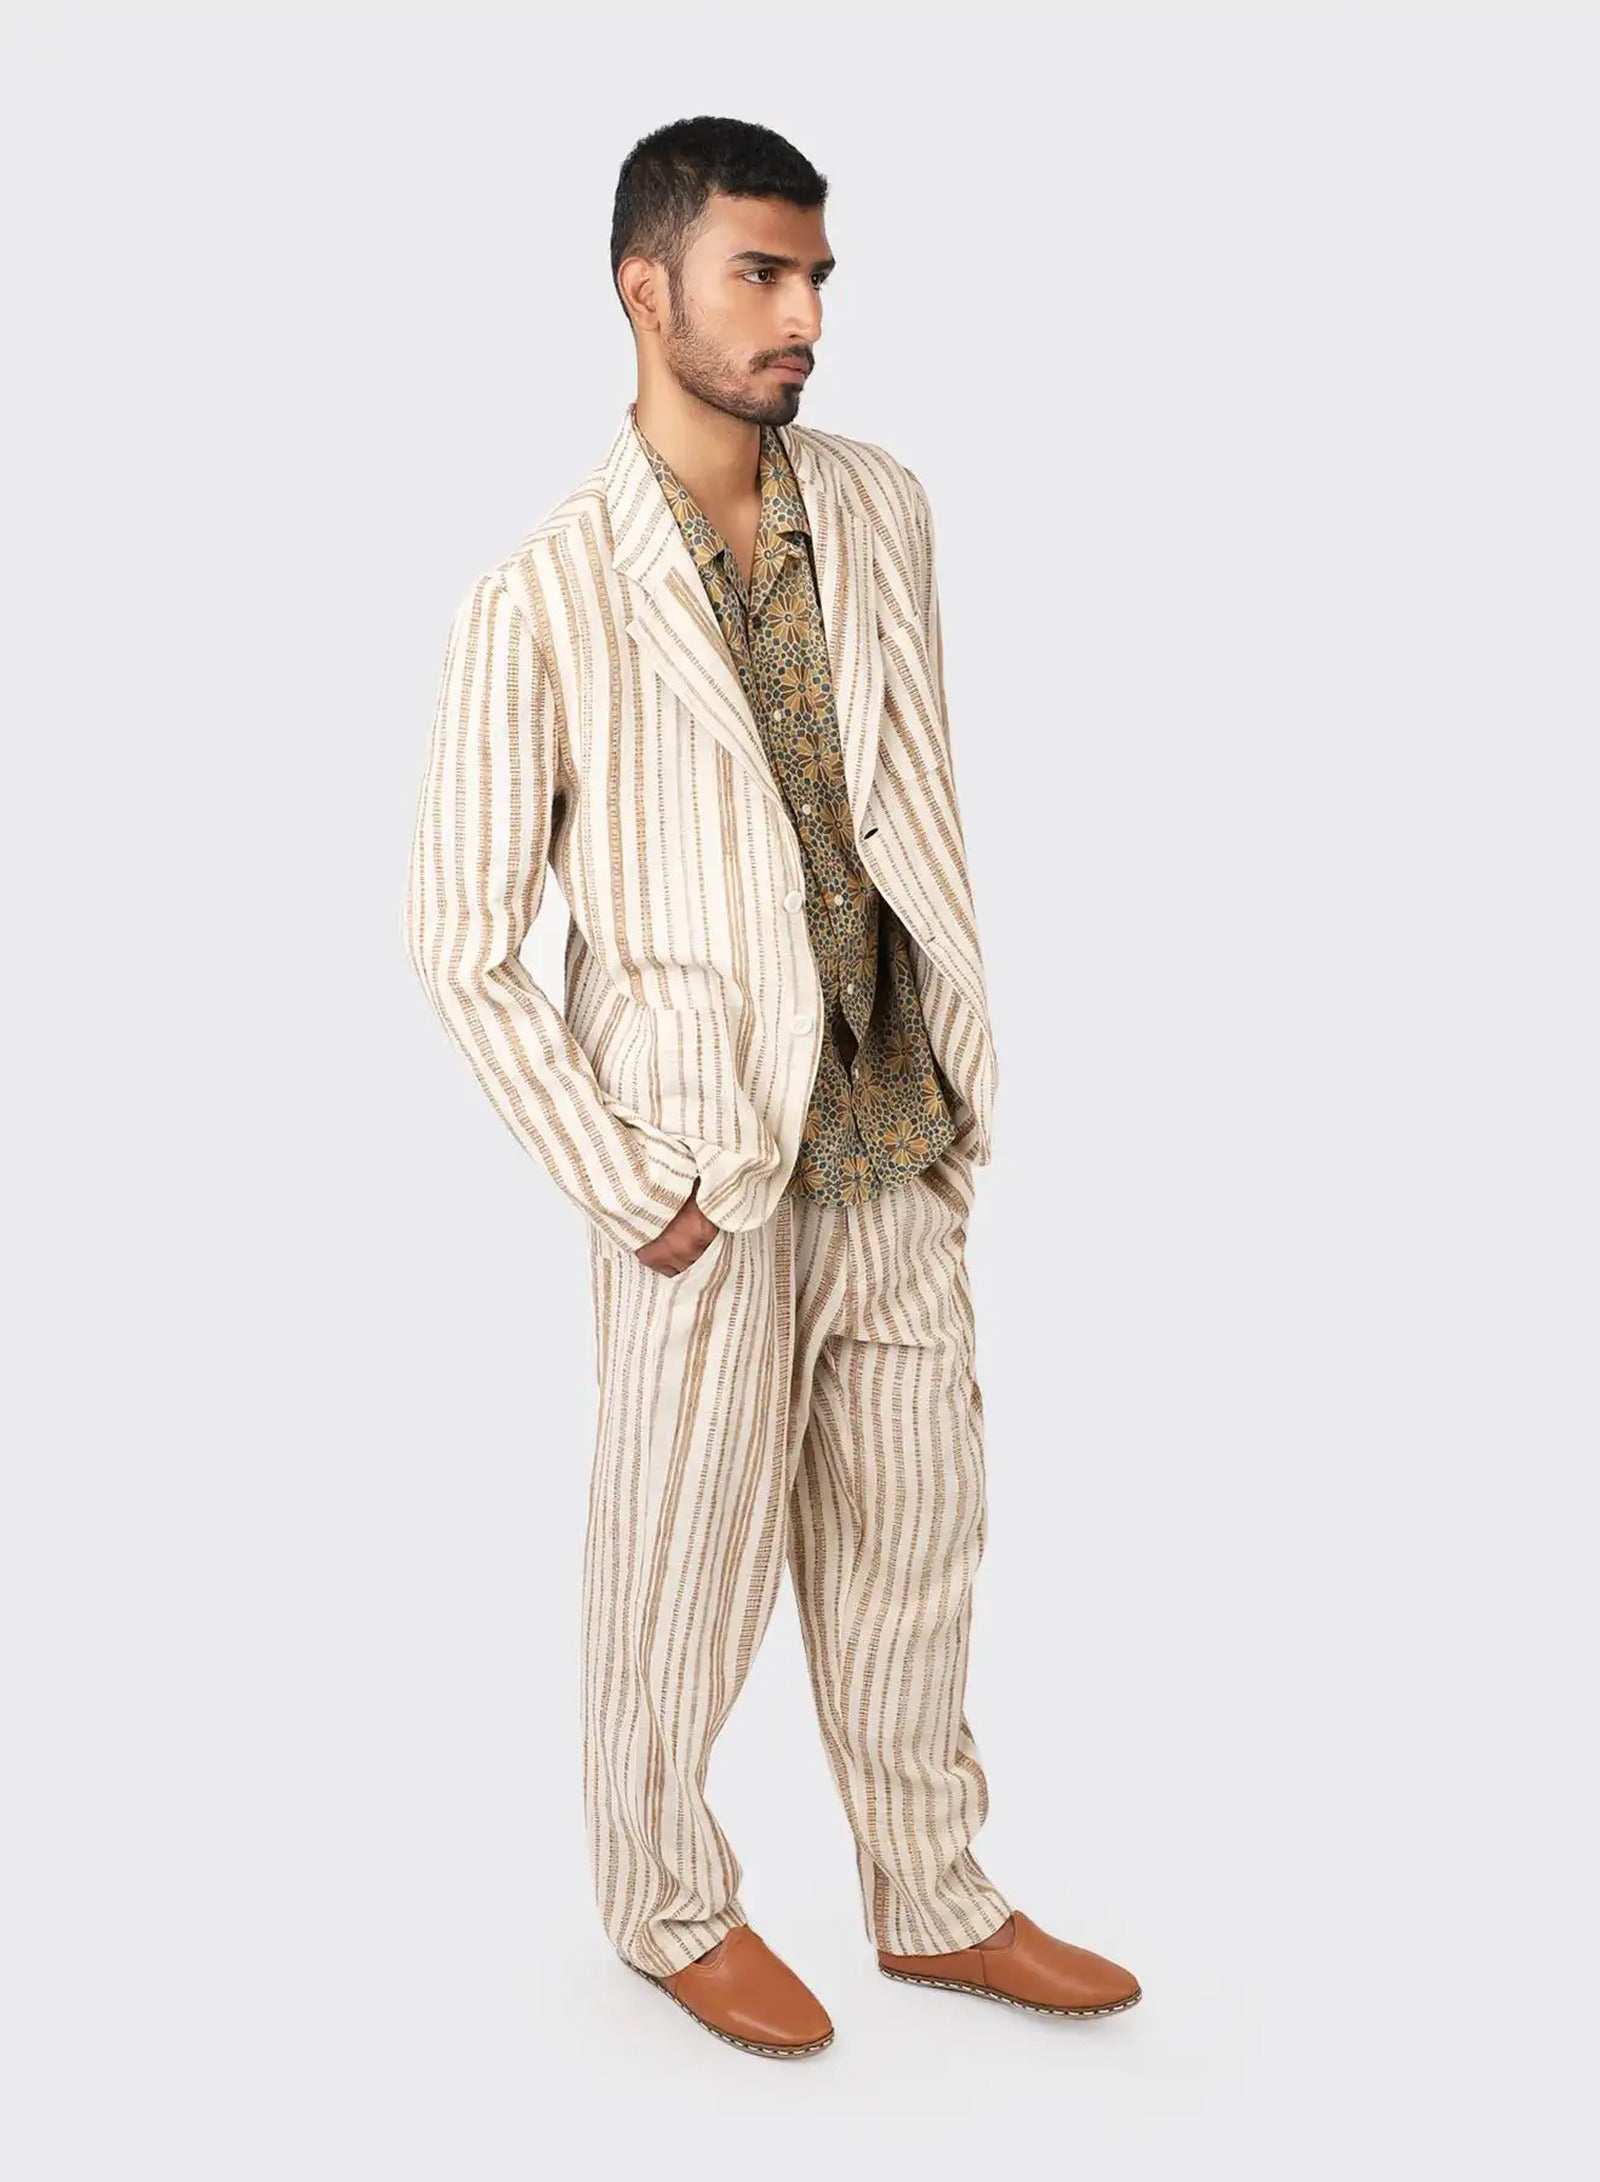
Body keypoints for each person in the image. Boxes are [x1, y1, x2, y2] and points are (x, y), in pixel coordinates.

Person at [404, 114, 1140, 2059]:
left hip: (894, 1129)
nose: (803, 312)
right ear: (643, 288)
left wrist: (956, 1077)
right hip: (702, 1171)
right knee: (679, 1561)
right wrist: (619, 1175)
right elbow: (459, 937)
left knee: (916, 1546)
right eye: (761, 273)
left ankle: (934, 1892)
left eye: (816, 274)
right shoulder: (544, 590)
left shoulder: (881, 506)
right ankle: (663, 1902)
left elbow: (914, 794)